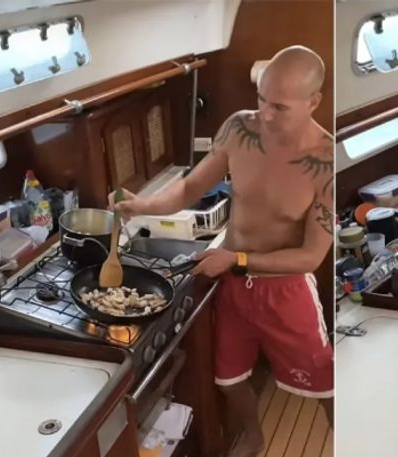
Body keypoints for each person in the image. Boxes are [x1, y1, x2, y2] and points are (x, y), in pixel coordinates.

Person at [110, 45, 334, 457]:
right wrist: (142, 204)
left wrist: (240, 260)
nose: (264, 114)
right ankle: (253, 436)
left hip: (285, 290)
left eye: (280, 107)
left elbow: (310, 258)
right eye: (261, 99)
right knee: (229, 380)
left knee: (325, 382)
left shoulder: (327, 162)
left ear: (314, 101)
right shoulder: (238, 129)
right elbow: (191, 187)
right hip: (232, 285)